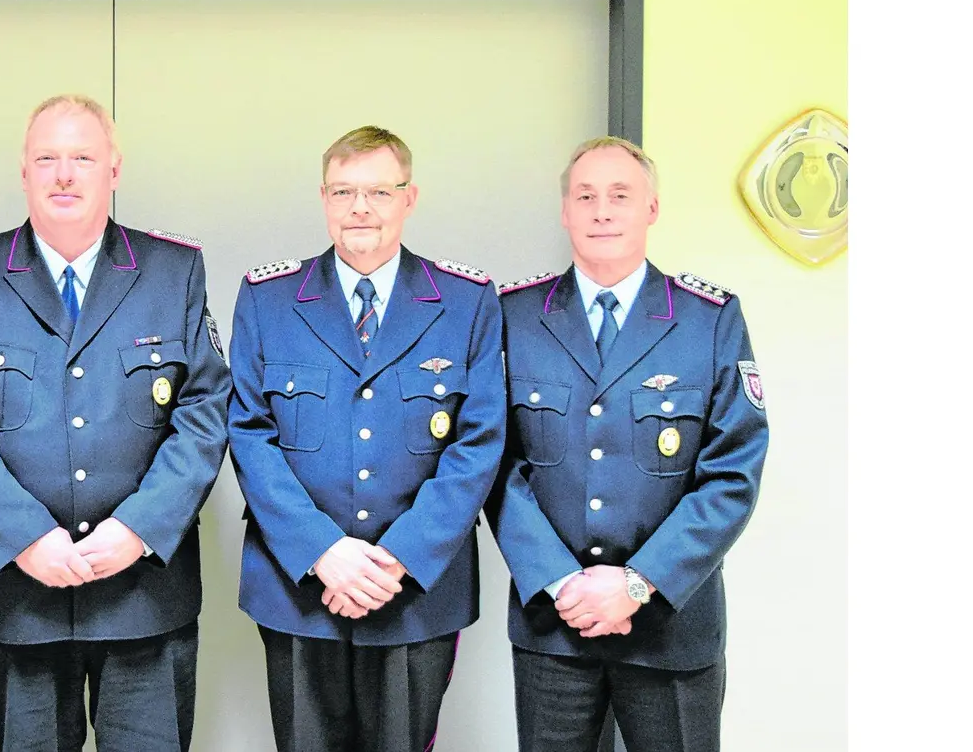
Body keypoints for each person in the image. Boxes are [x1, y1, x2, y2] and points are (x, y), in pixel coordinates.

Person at [0, 94, 231, 752]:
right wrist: (24, 534)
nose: (64, 174)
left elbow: (204, 408)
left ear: (113, 170)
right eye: (47, 159)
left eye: (82, 158)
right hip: (16, 597)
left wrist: (139, 529)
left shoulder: (173, 273)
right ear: (23, 172)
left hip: (143, 593)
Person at [226, 125, 507, 752]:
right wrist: (324, 551)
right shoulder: (268, 299)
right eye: (344, 191)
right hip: (298, 584)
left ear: (410, 198)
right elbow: (248, 432)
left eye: (379, 191)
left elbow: (479, 442)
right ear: (323, 199)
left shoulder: (466, 302)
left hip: (414, 591)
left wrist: (397, 559)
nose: (360, 208)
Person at [485, 136, 770, 752]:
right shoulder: (512, 314)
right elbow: (493, 464)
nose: (602, 211)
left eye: (620, 195)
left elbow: (732, 474)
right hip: (554, 626)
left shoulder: (709, 318)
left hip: (671, 625)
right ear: (565, 211)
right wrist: (563, 582)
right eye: (585, 196)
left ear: (652, 209)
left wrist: (639, 583)